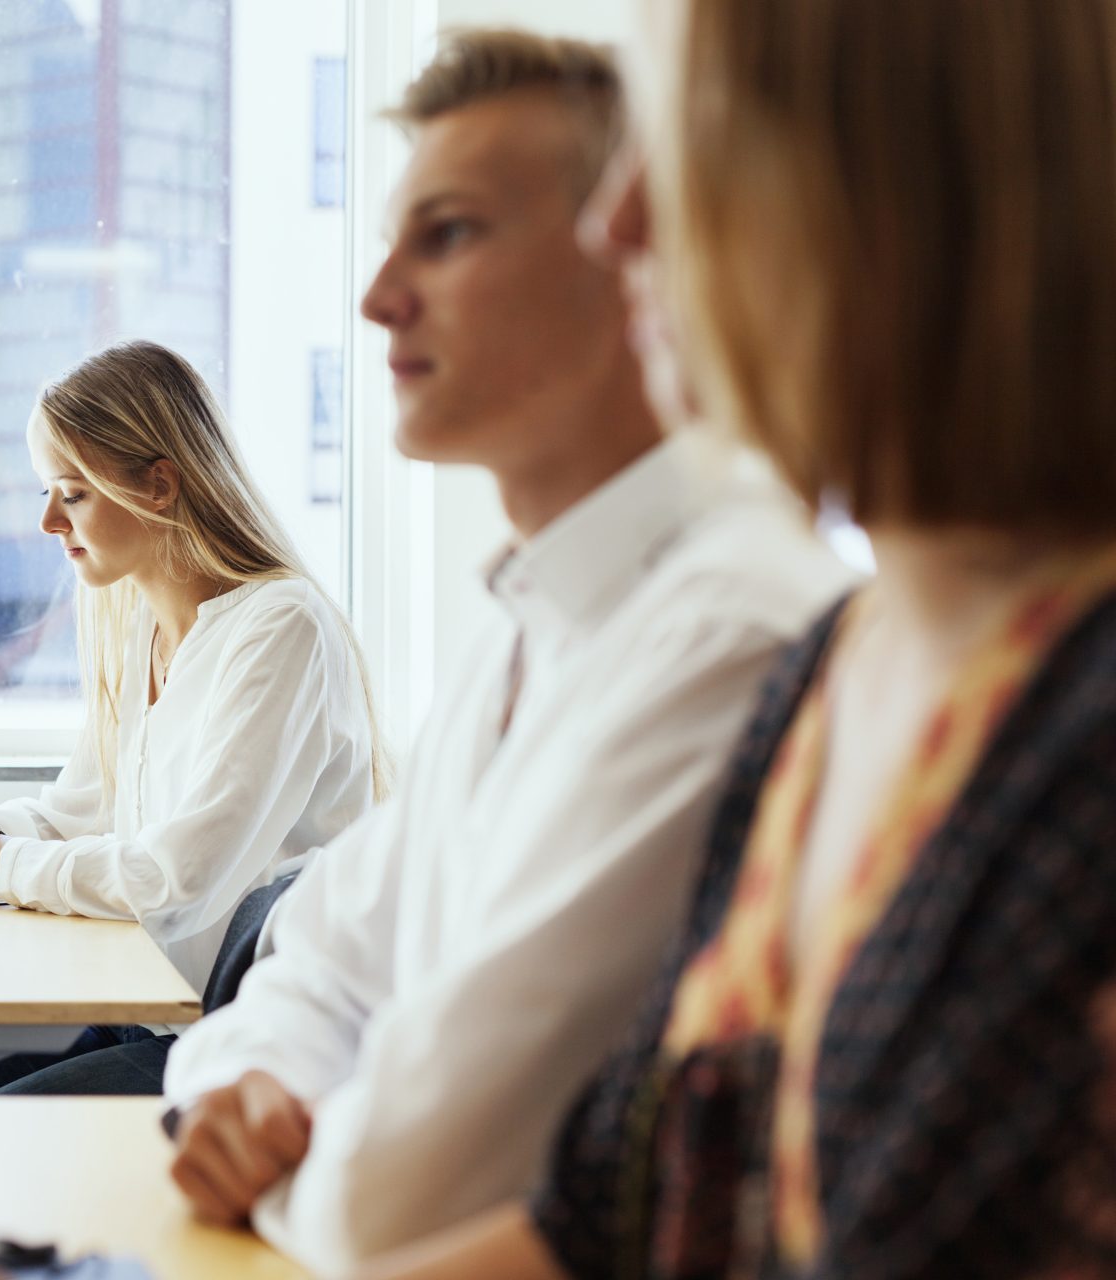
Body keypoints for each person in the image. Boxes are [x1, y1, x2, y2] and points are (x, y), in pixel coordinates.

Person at [361, 2, 1116, 1278]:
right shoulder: (833, 667)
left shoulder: (1084, 735)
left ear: (900, 183)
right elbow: (592, 1222)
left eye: (690, 142)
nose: (626, 225)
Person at [158, 28, 856, 1273]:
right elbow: (311, 959)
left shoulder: (738, 630)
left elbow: (410, 1202)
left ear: (635, 257)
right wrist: (255, 1084)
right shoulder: (523, 627)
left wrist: (295, 1146)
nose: (378, 295)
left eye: (451, 233)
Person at [0, 339, 387, 1095]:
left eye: (74, 491)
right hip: (156, 1019)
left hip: (241, 1050)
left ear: (159, 486)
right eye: (44, 493)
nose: (49, 523)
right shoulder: (142, 630)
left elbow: (167, 881)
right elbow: (71, 816)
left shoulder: (282, 628)